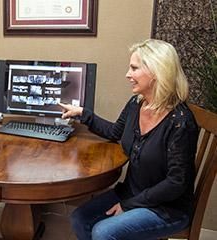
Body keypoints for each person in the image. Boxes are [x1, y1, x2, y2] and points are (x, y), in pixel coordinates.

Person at [59, 39, 199, 240]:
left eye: (134, 68)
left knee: (103, 232)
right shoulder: (136, 103)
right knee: (79, 218)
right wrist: (83, 113)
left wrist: (129, 205)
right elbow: (115, 131)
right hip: (131, 193)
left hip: (166, 208)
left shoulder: (181, 122)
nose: (127, 74)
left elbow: (176, 182)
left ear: (157, 71)